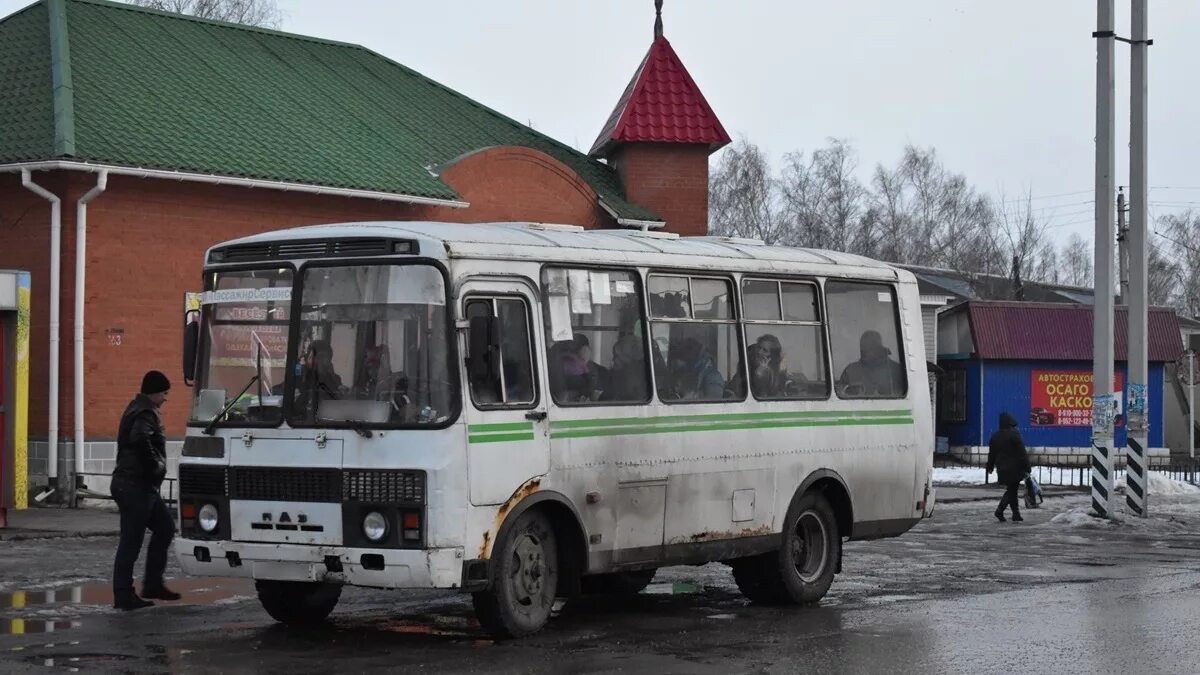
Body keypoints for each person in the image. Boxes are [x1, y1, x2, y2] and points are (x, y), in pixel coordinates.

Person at [110, 370, 180, 610]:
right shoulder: (145, 412)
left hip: (139, 485)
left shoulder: (137, 408)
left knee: (165, 527)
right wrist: (157, 464)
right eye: (164, 393)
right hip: (135, 486)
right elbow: (140, 438)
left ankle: (152, 584)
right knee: (131, 541)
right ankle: (123, 595)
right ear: (155, 393)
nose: (165, 399)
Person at [986, 412, 1032, 522]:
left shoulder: (995, 436)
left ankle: (1015, 514)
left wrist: (990, 466)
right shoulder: (1014, 434)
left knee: (1012, 490)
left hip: (1002, 468)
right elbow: (1022, 452)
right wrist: (1027, 466)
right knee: (1012, 490)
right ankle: (1001, 511)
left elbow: (991, 453)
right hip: (1015, 468)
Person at [837, 330, 905, 397]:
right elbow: (840, 394)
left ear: (879, 348)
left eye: (870, 348)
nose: (865, 351)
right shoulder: (850, 371)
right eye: (863, 348)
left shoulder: (896, 370)